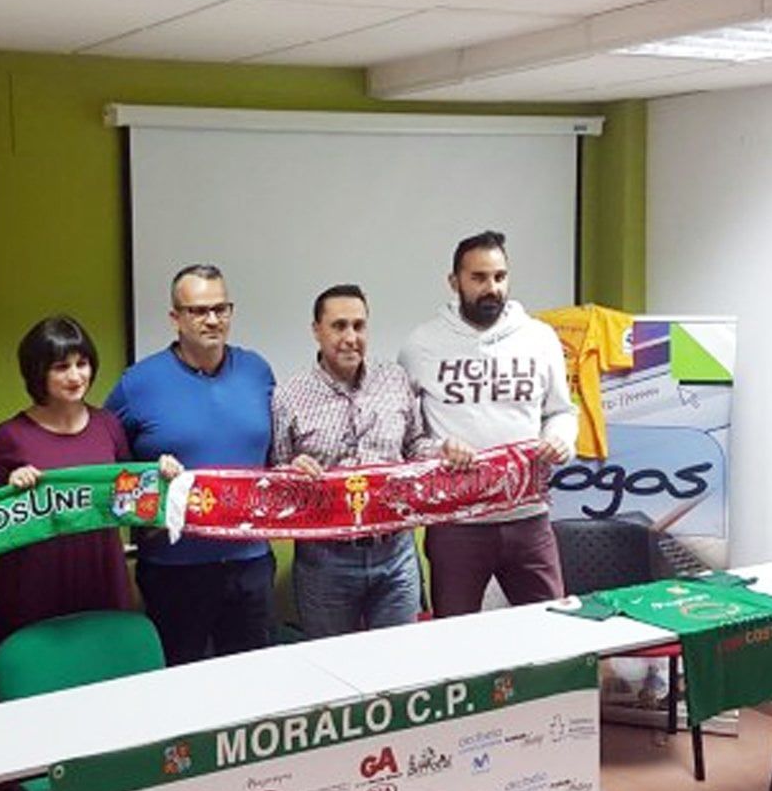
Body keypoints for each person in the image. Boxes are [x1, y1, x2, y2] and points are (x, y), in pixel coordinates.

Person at [398, 230, 577, 618]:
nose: (491, 288)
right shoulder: (421, 345)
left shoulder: (539, 338)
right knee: (454, 636)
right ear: (454, 282)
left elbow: (562, 411)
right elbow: (407, 434)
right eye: (478, 278)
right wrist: (439, 450)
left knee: (552, 629)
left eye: (499, 277)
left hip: (528, 517)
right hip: (457, 523)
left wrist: (559, 439)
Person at [106, 264, 276, 665]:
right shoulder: (138, 383)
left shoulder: (258, 371)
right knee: (183, 686)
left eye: (221, 308)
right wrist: (148, 487)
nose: (212, 319)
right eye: (198, 311)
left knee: (254, 681)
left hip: (250, 562)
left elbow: (275, 453)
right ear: (175, 318)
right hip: (174, 568)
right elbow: (108, 460)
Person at [0, 315, 180, 647]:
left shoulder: (108, 425)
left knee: (108, 667)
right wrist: (10, 492)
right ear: (37, 372)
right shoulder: (10, 436)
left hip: (101, 573)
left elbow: (130, 502)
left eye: (81, 363)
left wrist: (161, 477)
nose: (75, 376)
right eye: (61, 367)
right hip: (34, 583)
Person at [272, 284, 444, 637]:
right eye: (338, 326)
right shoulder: (288, 396)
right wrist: (291, 472)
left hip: (395, 554)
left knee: (399, 667)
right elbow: (275, 474)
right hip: (325, 562)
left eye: (359, 326)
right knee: (333, 670)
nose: (351, 337)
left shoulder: (394, 379)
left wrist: (443, 451)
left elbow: (416, 445)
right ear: (316, 330)